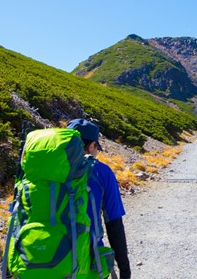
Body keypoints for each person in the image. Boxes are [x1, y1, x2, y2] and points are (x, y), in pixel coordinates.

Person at [67, 118, 131, 279]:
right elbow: (114, 224)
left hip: (38, 262)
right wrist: (125, 270)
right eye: (97, 148)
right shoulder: (101, 172)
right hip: (86, 264)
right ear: (91, 146)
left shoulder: (39, 171)